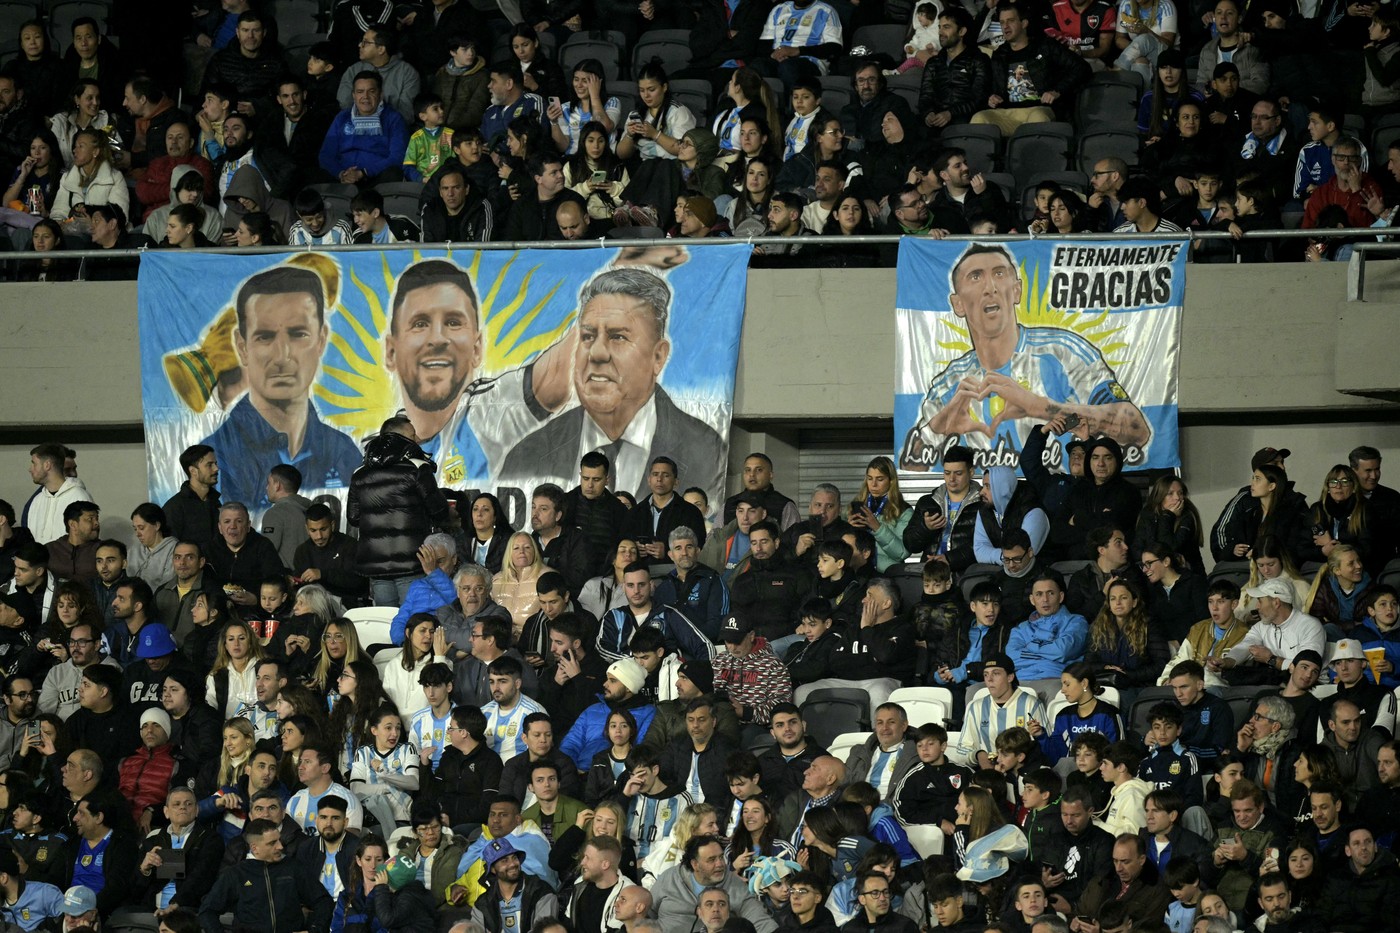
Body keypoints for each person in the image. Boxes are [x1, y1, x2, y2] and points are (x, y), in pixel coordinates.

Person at [900, 244, 1151, 472]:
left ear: (1017, 290)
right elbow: (910, 468)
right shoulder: (951, 382)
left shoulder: (1064, 351)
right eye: (975, 277)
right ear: (958, 304)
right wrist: (937, 428)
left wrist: (1039, 407)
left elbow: (1137, 428)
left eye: (999, 274)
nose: (990, 288)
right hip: (994, 502)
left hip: (1062, 496)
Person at [501, 267, 726, 503]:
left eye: (618, 336)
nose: (597, 353)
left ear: (658, 357)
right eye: (588, 336)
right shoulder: (527, 455)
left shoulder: (706, 452)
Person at [348, 417, 451, 608]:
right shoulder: (417, 468)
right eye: (412, 435)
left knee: (387, 623)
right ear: (398, 439)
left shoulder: (360, 473)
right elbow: (438, 510)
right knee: (413, 621)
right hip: (411, 562)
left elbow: (354, 518)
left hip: (376, 565)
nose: (417, 439)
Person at [199, 818, 334, 933]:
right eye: (272, 843)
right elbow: (207, 912)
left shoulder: (293, 867)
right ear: (254, 848)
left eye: (279, 840)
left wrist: (315, 929)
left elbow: (323, 901)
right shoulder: (236, 874)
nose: (280, 846)